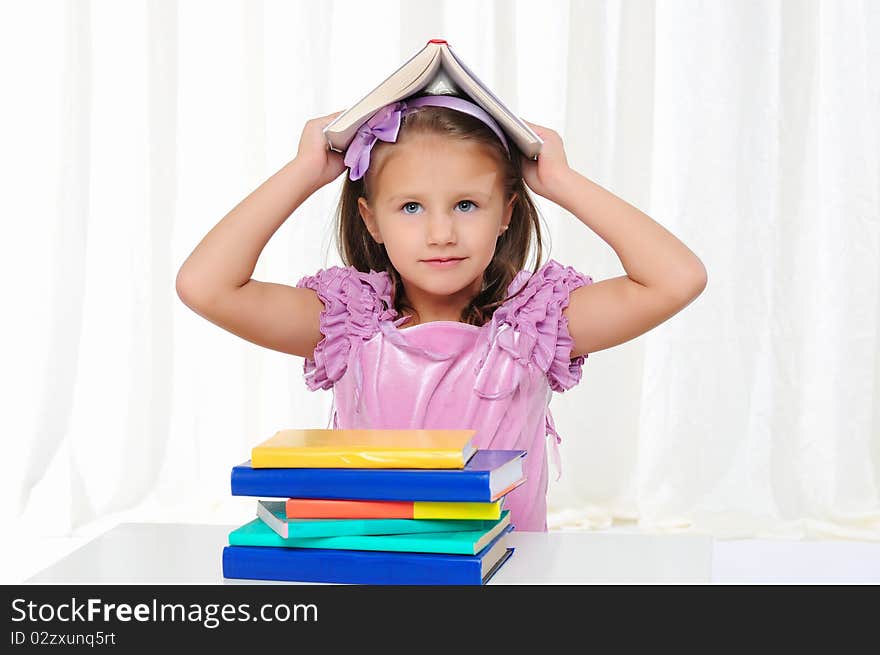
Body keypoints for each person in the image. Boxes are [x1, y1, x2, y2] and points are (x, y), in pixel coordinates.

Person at [176, 94, 707, 531]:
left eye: (467, 204)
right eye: (411, 207)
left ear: (506, 213)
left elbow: (676, 278)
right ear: (371, 220)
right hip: (381, 573)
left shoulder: (534, 325)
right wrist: (303, 172)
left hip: (506, 576)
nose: (441, 234)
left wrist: (562, 181)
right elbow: (207, 286)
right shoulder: (349, 325)